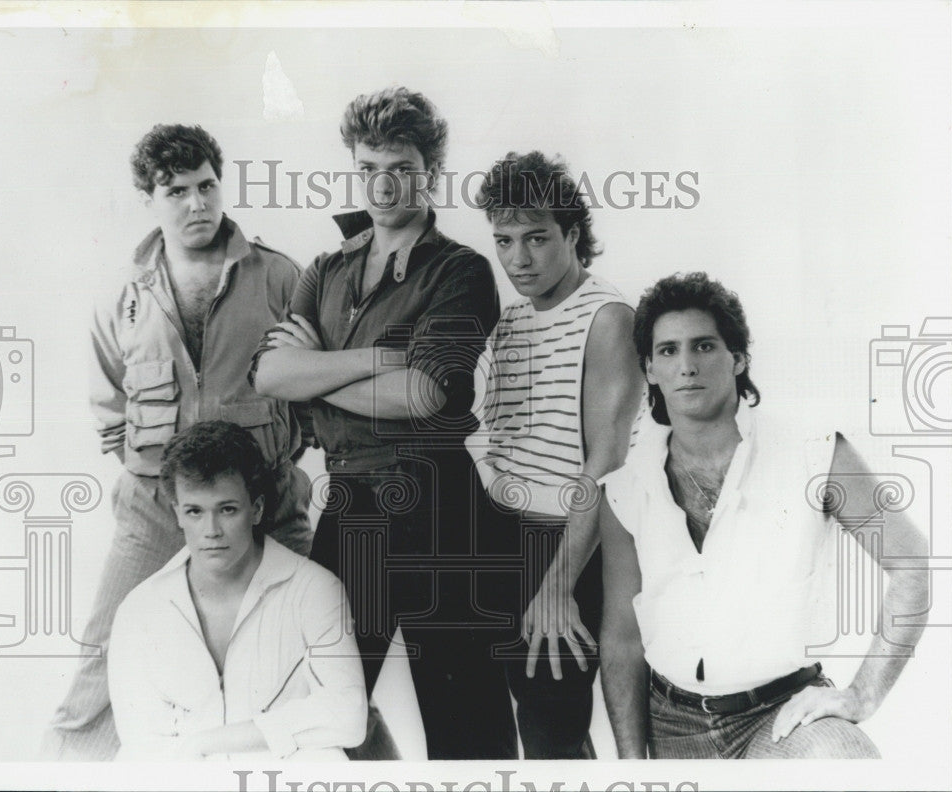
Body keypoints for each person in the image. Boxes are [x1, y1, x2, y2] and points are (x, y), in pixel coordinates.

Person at [252, 87, 516, 759]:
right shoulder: (326, 269)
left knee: (467, 724)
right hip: (347, 501)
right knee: (325, 712)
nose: (383, 183)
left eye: (400, 166)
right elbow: (271, 376)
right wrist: (373, 359)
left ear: (431, 170)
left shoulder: (461, 270)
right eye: (368, 167)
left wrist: (319, 371)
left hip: (438, 505)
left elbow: (426, 394)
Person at [44, 124, 312, 760]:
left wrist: (269, 471)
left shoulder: (278, 277)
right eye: (176, 190)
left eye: (207, 186)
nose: (197, 203)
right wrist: (165, 486)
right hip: (155, 508)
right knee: (102, 656)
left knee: (312, 651)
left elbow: (310, 392)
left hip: (266, 500)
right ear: (149, 198)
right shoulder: (121, 296)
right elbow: (109, 411)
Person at [599, 272, 931, 759]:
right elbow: (622, 638)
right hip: (674, 725)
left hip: (780, 717)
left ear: (738, 358)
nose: (687, 365)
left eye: (704, 346)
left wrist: (864, 694)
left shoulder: (813, 453)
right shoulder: (626, 488)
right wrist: (633, 768)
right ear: (649, 369)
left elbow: (913, 564)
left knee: (847, 765)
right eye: (668, 351)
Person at [466, 152, 645, 758]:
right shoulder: (511, 320)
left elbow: (609, 464)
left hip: (573, 541)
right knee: (527, 718)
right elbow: (490, 431)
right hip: (506, 534)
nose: (519, 257)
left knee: (551, 725)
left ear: (573, 234)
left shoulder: (607, 315)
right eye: (505, 240)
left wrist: (559, 582)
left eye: (538, 238)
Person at [108, 421, 365, 761]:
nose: (211, 530)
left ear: (256, 508)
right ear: (177, 513)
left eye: (227, 509)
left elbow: (349, 717)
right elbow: (140, 742)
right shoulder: (140, 609)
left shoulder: (315, 590)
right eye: (195, 512)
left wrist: (208, 743)